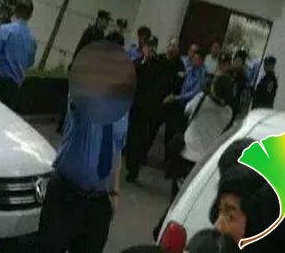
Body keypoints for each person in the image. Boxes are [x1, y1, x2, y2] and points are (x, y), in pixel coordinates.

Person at [38, 45, 132, 253]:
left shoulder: (122, 112)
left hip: (99, 203)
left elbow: (116, 152)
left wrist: (114, 193)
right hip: (67, 195)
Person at [167, 74, 234, 198]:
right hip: (206, 159)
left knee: (177, 193)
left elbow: (187, 110)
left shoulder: (202, 100)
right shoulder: (228, 112)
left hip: (187, 152)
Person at [0, 0, 36, 111]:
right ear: (30, 16)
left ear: (14, 10)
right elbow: (28, 65)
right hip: (14, 90)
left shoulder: (5, 30)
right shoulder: (31, 40)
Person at [126, 36, 161, 183]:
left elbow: (157, 86)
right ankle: (128, 163)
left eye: (152, 47)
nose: (150, 50)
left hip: (146, 108)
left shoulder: (157, 66)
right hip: (133, 105)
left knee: (138, 139)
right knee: (129, 137)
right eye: (148, 47)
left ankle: (133, 170)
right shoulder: (137, 62)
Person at [163, 48, 205, 167]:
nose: (193, 61)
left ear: (201, 61)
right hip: (178, 104)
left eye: (196, 59)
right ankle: (166, 158)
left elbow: (194, 93)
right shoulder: (189, 70)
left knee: (179, 134)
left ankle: (173, 162)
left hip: (187, 108)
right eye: (193, 58)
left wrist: (176, 97)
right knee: (169, 131)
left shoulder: (201, 75)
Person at [144, 37, 185, 160]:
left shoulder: (180, 65)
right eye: (170, 45)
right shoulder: (160, 59)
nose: (172, 48)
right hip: (155, 98)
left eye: (175, 46)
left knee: (168, 133)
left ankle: (167, 160)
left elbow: (179, 83)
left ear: (178, 49)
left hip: (168, 102)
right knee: (149, 129)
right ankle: (142, 154)